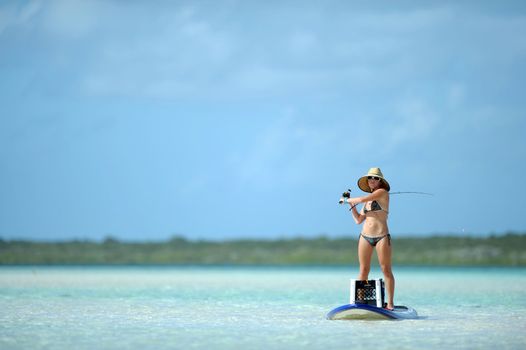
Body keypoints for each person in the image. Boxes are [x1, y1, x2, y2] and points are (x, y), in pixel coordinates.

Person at [341, 167, 395, 310]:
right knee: (363, 269)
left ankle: (390, 304)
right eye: (370, 178)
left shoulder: (382, 192)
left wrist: (346, 200)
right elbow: (359, 220)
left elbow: (363, 198)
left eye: (375, 178)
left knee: (386, 270)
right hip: (365, 236)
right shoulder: (366, 203)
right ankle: (360, 301)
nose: (372, 180)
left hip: (382, 236)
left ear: (380, 181)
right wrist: (351, 205)